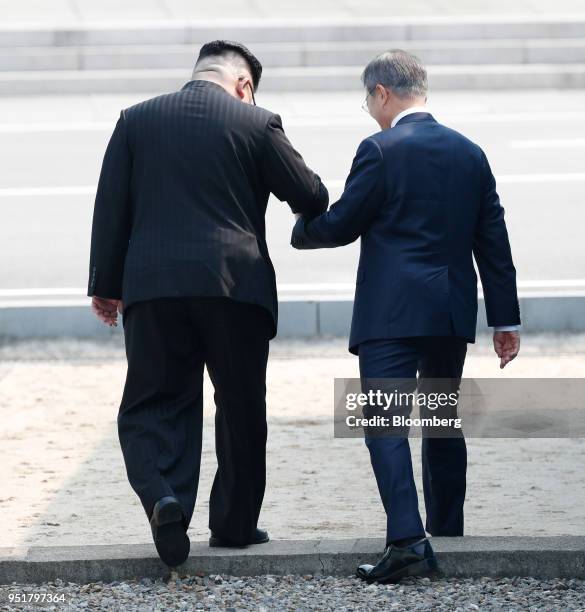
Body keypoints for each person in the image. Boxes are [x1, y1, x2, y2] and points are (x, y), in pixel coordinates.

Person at [87, 40, 328, 567]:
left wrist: (105, 284)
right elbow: (310, 195)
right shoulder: (257, 123)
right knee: (241, 405)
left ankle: (163, 497)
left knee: (153, 402)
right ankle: (235, 525)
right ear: (244, 86)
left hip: (154, 288)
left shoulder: (136, 120)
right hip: (235, 286)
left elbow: (111, 204)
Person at [291, 49, 520, 584]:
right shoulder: (470, 152)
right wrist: (505, 321)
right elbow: (494, 241)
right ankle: (446, 533)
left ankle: (407, 541)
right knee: (441, 421)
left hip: (390, 313)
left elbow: (344, 222)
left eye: (366, 98)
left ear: (381, 94)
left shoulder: (379, 149)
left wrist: (303, 228)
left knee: (385, 426)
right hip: (448, 311)